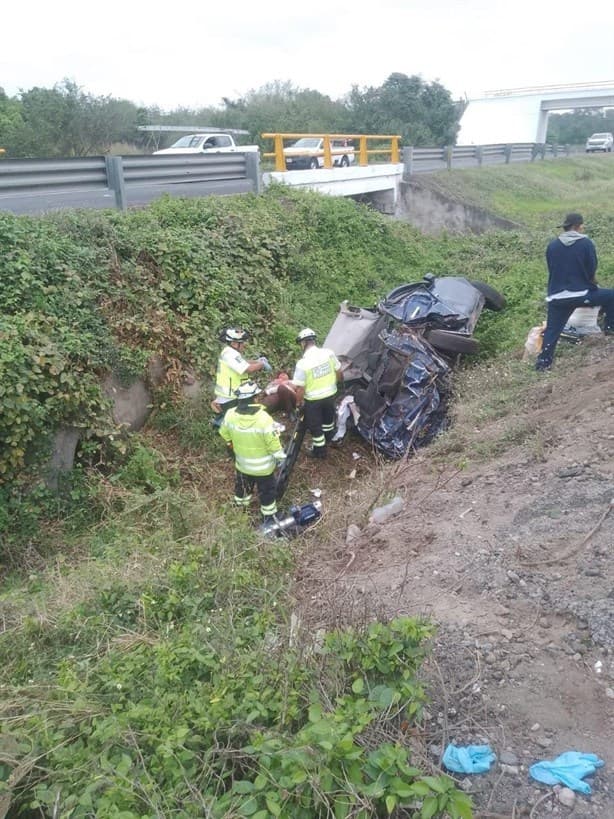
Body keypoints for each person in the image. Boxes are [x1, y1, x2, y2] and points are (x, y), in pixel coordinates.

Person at [536, 213, 614, 371]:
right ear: (579, 226)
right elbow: (591, 268)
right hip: (580, 294)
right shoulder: (586, 243)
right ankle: (609, 330)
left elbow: (552, 268)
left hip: (556, 297)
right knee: (611, 296)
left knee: (552, 330)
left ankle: (543, 364)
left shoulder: (552, 245)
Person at [219, 381, 286, 524]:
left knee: (242, 488)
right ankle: (268, 517)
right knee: (267, 492)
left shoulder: (230, 415)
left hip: (243, 466)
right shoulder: (263, 418)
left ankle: (239, 512)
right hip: (264, 469)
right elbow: (273, 443)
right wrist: (281, 457)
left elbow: (224, 434)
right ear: (255, 398)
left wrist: (232, 445)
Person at [292, 327, 342, 459]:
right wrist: (338, 384)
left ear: (303, 344)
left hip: (313, 400)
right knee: (328, 422)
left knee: (315, 427)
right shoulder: (328, 353)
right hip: (330, 395)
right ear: (314, 341)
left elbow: (300, 388)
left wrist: (298, 403)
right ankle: (329, 439)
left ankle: (319, 451)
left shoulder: (302, 364)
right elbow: (339, 372)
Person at [213, 328, 272, 416]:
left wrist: (257, 361)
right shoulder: (230, 354)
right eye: (242, 342)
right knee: (235, 421)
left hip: (233, 395)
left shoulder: (230, 352)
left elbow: (244, 363)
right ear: (234, 343)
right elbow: (248, 369)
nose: (244, 345)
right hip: (230, 397)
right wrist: (261, 364)